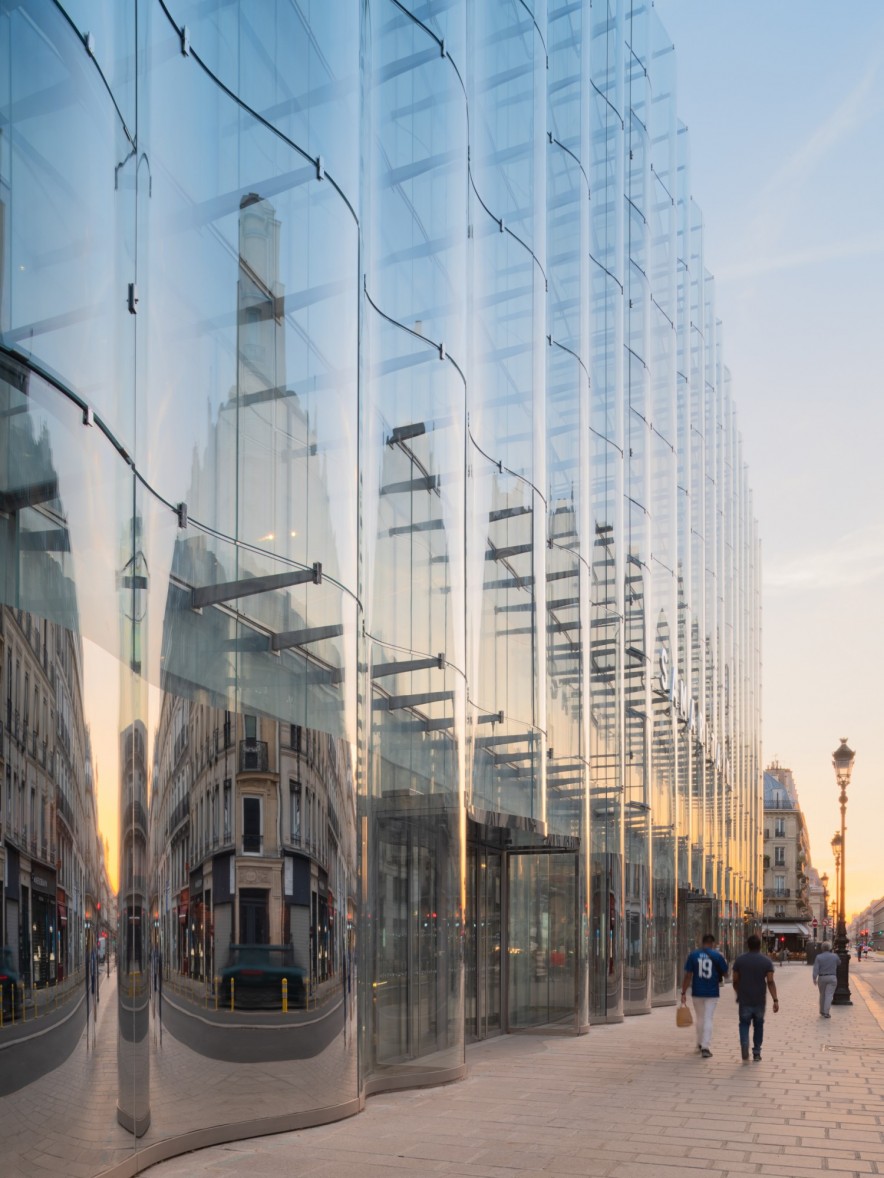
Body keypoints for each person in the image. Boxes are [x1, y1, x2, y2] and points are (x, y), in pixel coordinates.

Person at [681, 933, 729, 1058]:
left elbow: (688, 975)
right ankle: (706, 1047)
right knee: (708, 1018)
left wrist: (683, 992)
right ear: (712, 943)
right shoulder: (717, 956)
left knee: (700, 1018)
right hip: (712, 992)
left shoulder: (693, 955)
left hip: (697, 991)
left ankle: (698, 1043)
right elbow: (726, 973)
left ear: (702, 942)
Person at [732, 934, 778, 1061]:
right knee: (759, 1025)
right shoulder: (766, 961)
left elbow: (735, 980)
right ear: (759, 946)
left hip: (744, 999)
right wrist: (775, 999)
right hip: (759, 1000)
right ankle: (757, 1052)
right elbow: (770, 981)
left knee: (744, 1023)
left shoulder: (740, 960)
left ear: (748, 945)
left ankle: (745, 1044)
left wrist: (739, 992)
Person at [812, 941, 840, 1017]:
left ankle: (821, 1011)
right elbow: (839, 963)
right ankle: (826, 1012)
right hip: (832, 977)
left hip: (822, 977)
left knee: (822, 994)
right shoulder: (834, 956)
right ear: (830, 948)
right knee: (829, 995)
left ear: (822, 948)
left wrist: (814, 978)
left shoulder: (818, 957)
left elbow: (816, 968)